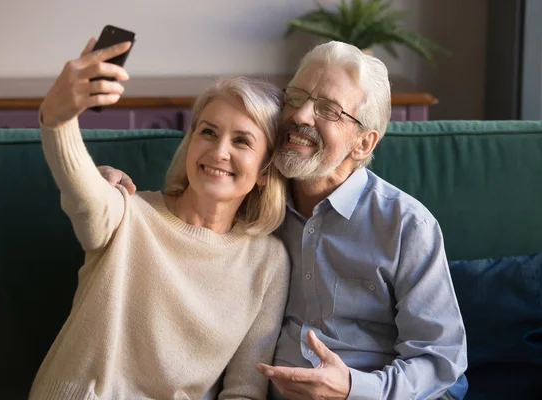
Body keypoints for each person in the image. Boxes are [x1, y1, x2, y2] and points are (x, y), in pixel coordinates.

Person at [101, 40, 469, 400]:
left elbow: (440, 360)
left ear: (363, 143)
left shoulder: (405, 225)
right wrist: (105, 184)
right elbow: (174, 219)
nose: (300, 116)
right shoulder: (251, 200)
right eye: (295, 97)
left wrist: (353, 388)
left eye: (328, 109)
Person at [29, 37, 291, 400]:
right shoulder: (128, 213)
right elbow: (83, 196)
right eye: (208, 132)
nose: (219, 151)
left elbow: (245, 389)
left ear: (265, 170)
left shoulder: (268, 260)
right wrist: (58, 120)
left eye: (242, 141)